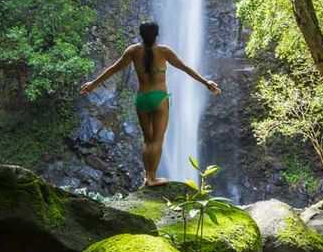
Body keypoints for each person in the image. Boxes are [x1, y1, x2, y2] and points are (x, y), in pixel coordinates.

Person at [80, 21, 221, 187]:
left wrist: (93, 84)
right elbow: (185, 68)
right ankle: (153, 178)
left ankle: (147, 177)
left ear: (140, 34)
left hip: (142, 98)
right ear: (157, 34)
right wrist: (206, 83)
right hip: (159, 98)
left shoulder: (132, 51)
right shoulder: (164, 51)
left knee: (147, 141)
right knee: (158, 140)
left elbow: (113, 69)